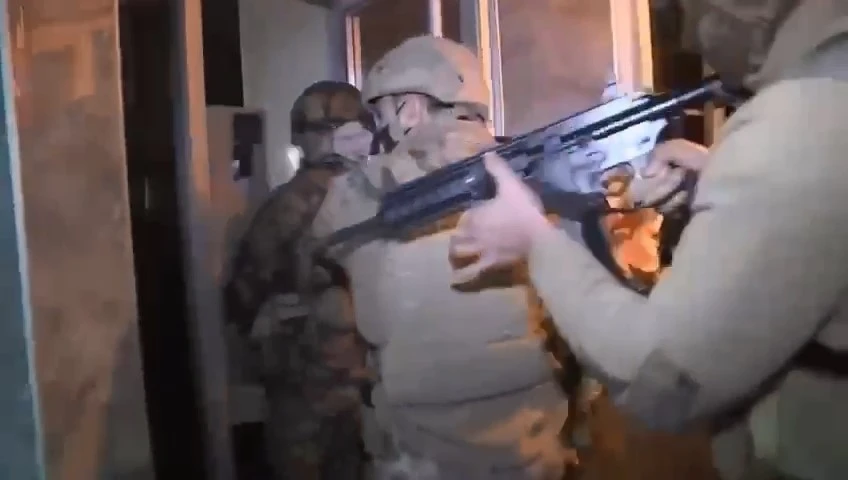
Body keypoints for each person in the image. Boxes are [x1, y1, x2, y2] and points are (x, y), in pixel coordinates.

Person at [448, 1, 848, 479]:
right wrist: (720, 186)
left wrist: (535, 241)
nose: (691, 35)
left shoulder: (800, 120)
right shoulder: (823, 99)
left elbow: (659, 377)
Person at [312, 35, 582, 479]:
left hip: (426, 459)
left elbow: (327, 245)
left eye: (383, 114)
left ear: (410, 109)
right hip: (532, 448)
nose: (382, 129)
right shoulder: (535, 173)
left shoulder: (360, 192)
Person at [224, 80, 375, 480]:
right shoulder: (376, 195)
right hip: (352, 384)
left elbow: (244, 296)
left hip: (312, 389)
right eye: (322, 129)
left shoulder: (285, 206)